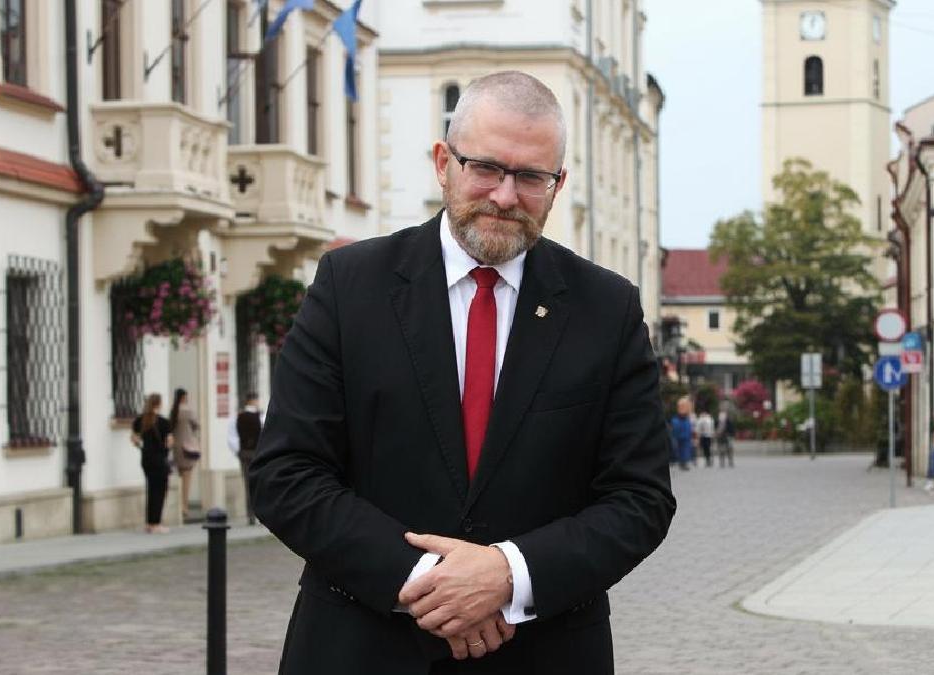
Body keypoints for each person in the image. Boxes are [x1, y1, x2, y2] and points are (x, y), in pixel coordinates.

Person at [249, 71, 675, 674]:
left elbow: (640, 498)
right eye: (486, 168)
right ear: (443, 163)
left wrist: (508, 574)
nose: (505, 195)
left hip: (542, 653)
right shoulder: (350, 286)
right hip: (362, 648)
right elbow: (286, 472)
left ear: (558, 185)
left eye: (531, 177)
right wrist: (430, 582)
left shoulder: (607, 309)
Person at [131, 393, 172, 534]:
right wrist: (166, 450)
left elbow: (134, 440)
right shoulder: (164, 422)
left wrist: (142, 447)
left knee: (151, 490)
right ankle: (156, 523)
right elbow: (169, 442)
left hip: (146, 459)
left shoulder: (139, 421)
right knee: (160, 492)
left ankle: (149, 523)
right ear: (159, 404)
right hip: (159, 460)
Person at [230, 392, 264, 525]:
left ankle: (251, 514)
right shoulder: (261, 416)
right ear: (253, 401)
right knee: (260, 484)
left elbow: (232, 437)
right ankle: (259, 513)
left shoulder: (238, 417)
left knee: (249, 484)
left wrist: (239, 451)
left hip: (245, 453)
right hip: (259, 453)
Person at [169, 388, 201, 519]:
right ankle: (184, 506)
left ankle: (178, 506)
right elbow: (197, 425)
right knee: (187, 478)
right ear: (183, 397)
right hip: (187, 448)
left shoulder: (173, 411)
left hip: (176, 448)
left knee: (179, 476)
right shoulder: (187, 411)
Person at [671, 397, 695, 471]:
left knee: (684, 451)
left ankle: (683, 463)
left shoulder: (684, 420)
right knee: (682, 451)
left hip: (684, 437)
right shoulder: (677, 420)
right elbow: (675, 429)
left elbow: (689, 429)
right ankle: (682, 463)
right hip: (682, 437)